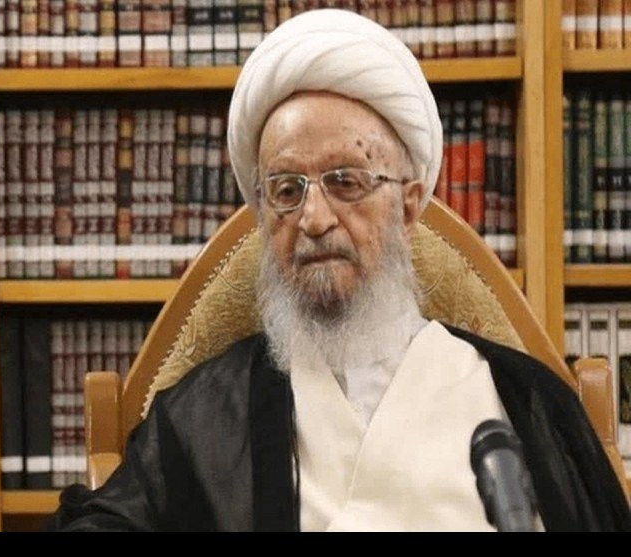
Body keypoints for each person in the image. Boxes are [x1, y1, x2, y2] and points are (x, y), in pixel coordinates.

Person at [49, 9, 631, 531]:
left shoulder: (524, 403)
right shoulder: (206, 416)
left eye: (346, 182)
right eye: (286, 190)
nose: (314, 218)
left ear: (408, 208)